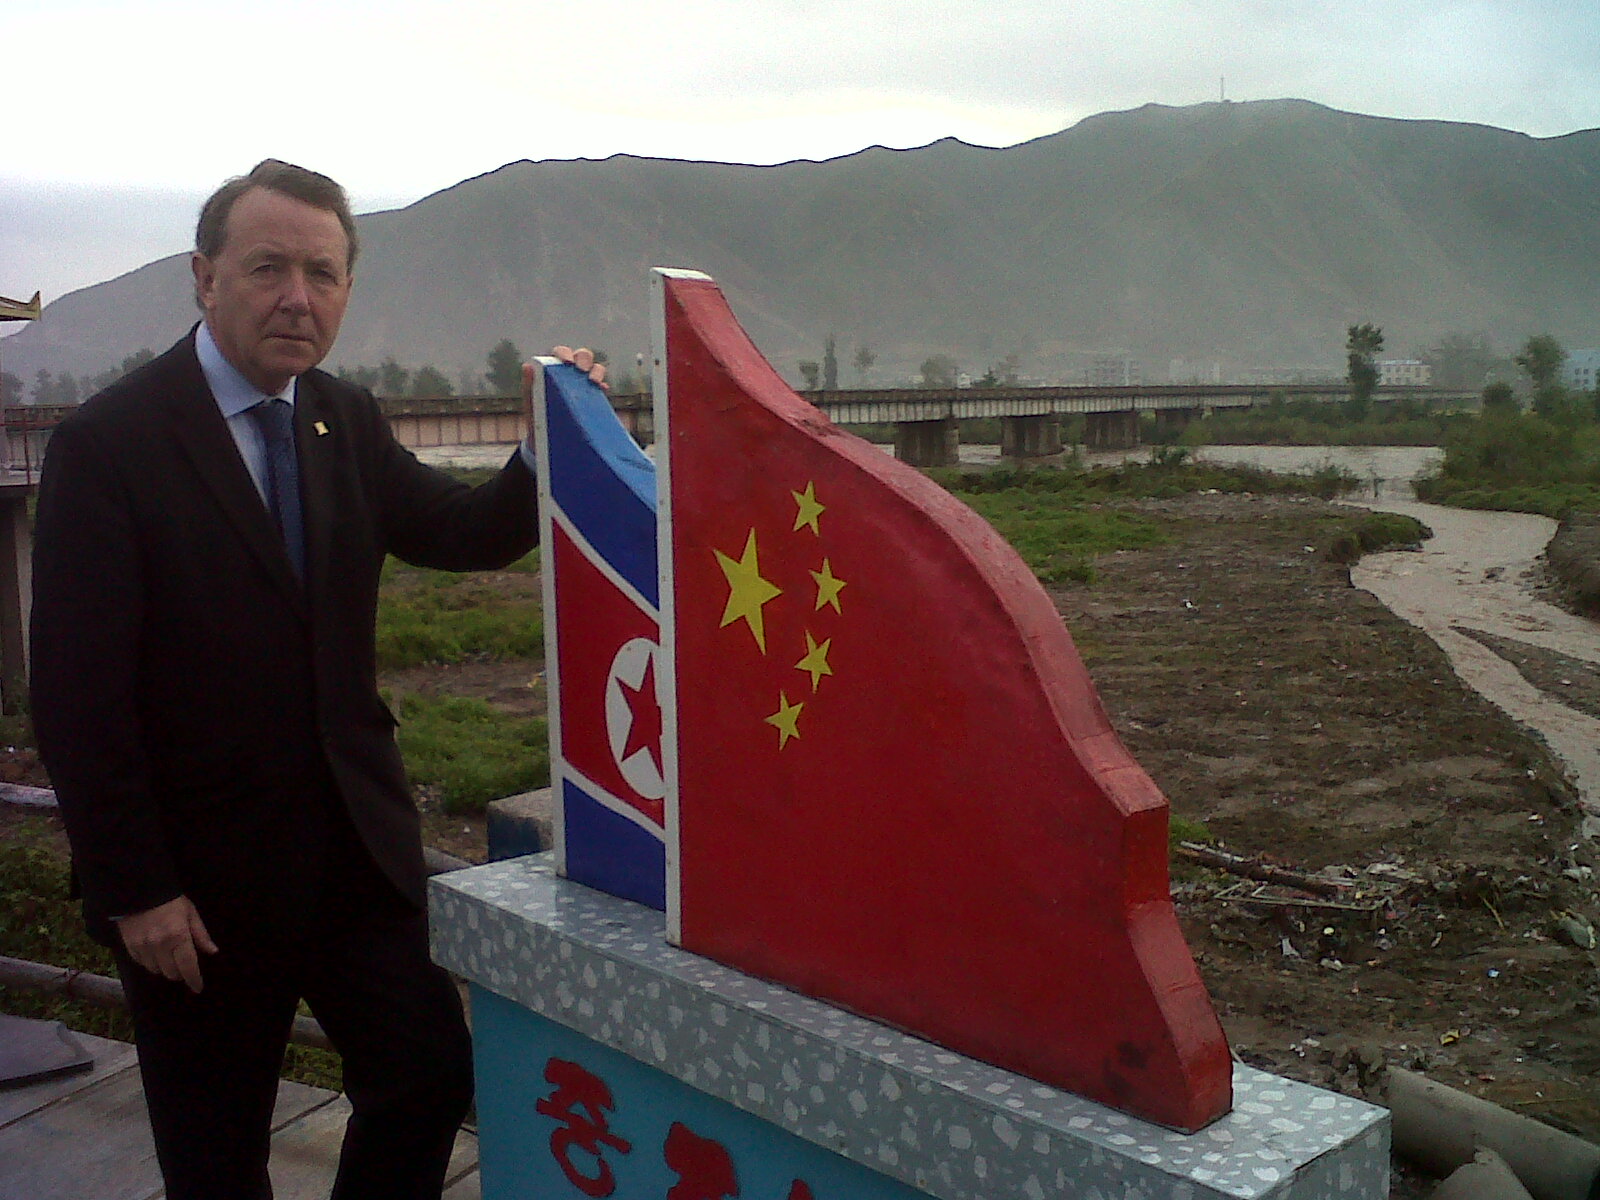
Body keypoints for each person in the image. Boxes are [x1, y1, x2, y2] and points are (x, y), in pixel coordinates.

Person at [29, 159, 602, 1200]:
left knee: (429, 1078)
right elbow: (76, 697)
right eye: (269, 268)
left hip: (354, 865)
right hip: (195, 893)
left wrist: (541, 451)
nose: (299, 297)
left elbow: (459, 532)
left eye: (324, 274)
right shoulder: (108, 444)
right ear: (206, 277)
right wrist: (138, 888)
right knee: (216, 1156)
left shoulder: (342, 417)